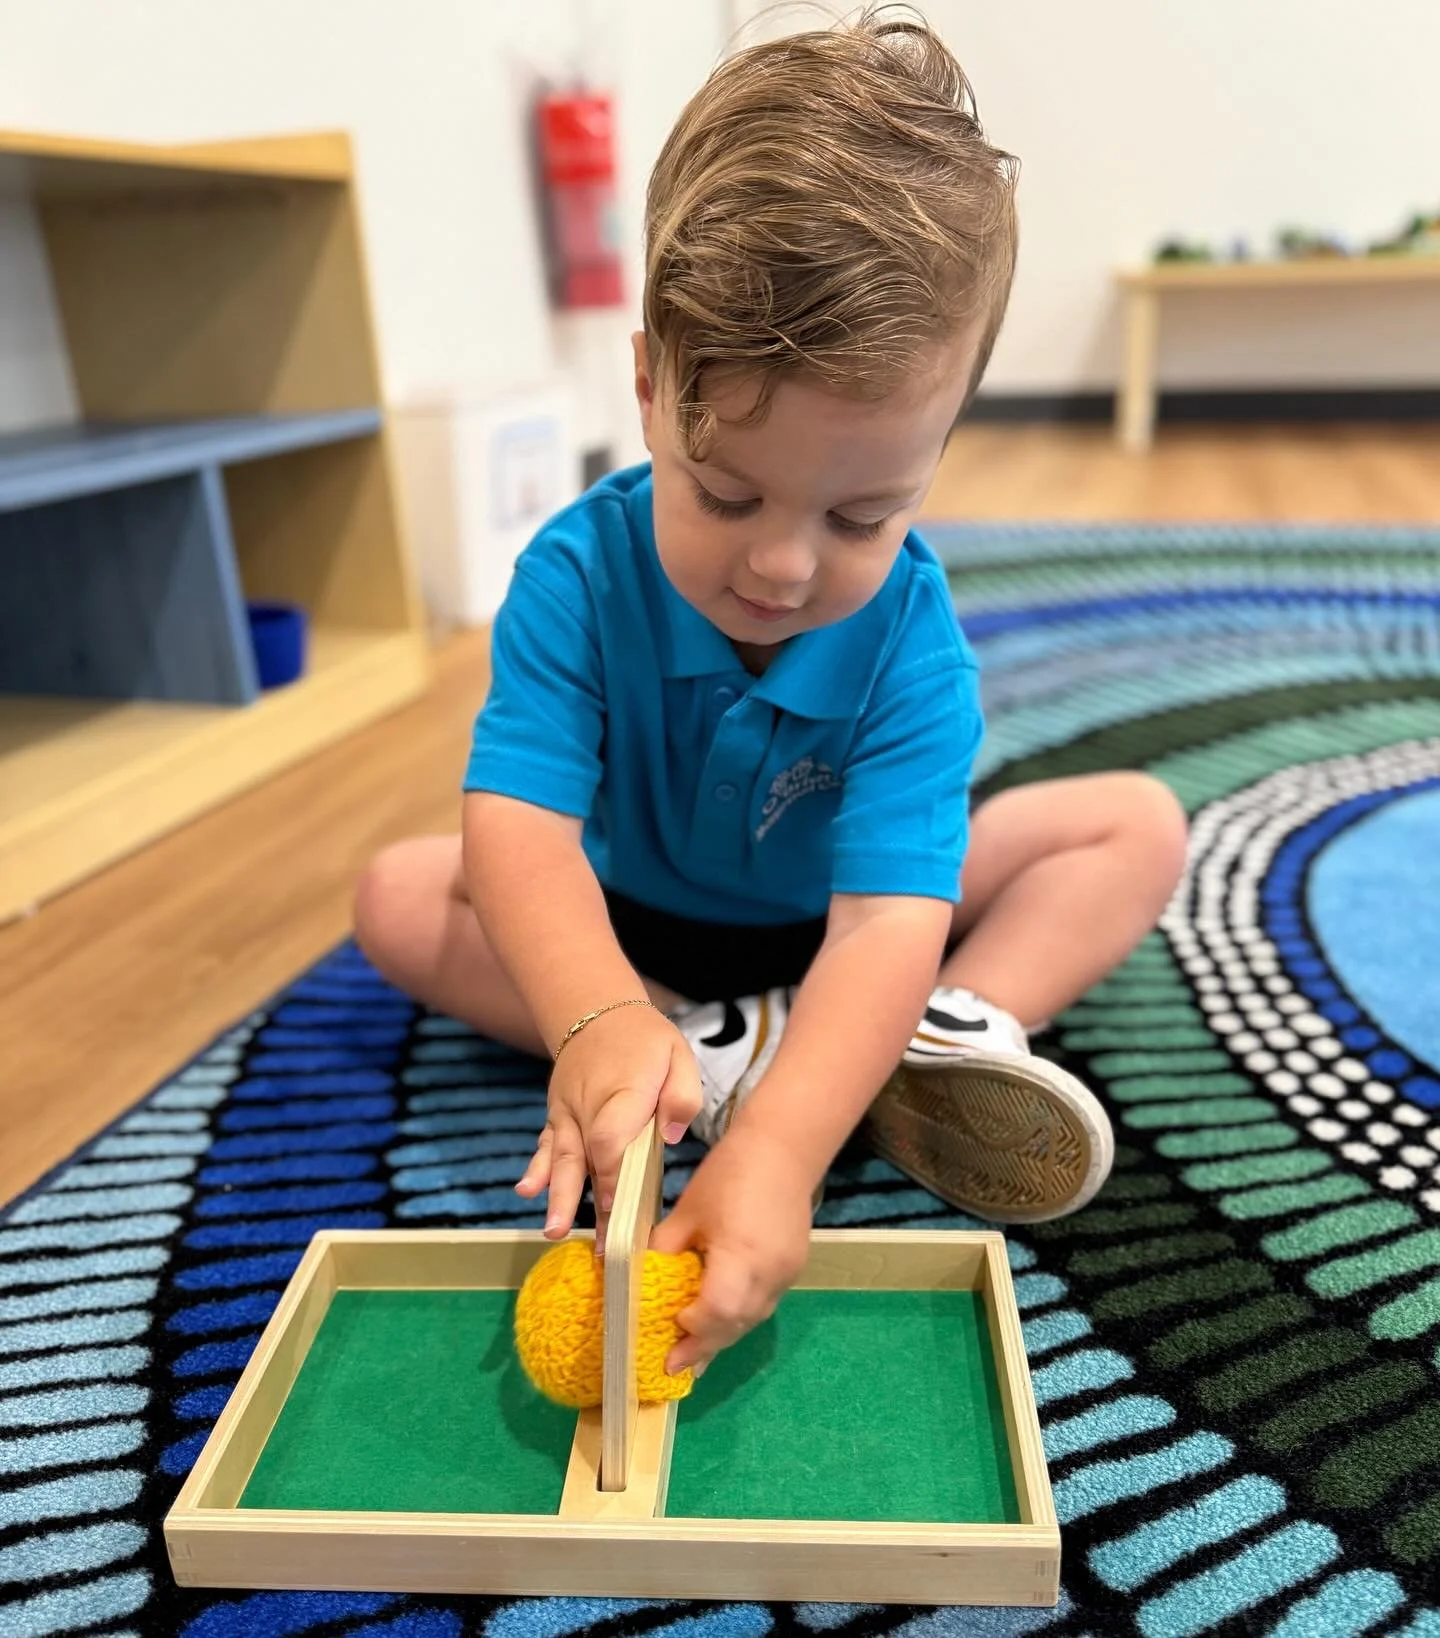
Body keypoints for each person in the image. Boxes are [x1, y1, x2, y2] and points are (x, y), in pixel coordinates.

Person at [355, 8, 1188, 1380]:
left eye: (866, 514)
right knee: (397, 891)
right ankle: (698, 1042)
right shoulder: (573, 573)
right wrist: (595, 1011)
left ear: (940, 447)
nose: (786, 565)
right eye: (726, 492)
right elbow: (521, 829)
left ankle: (934, 1030)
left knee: (1136, 824)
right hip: (635, 924)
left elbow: (878, 920)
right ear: (647, 384)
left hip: (846, 921)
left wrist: (784, 1153)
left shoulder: (913, 644)